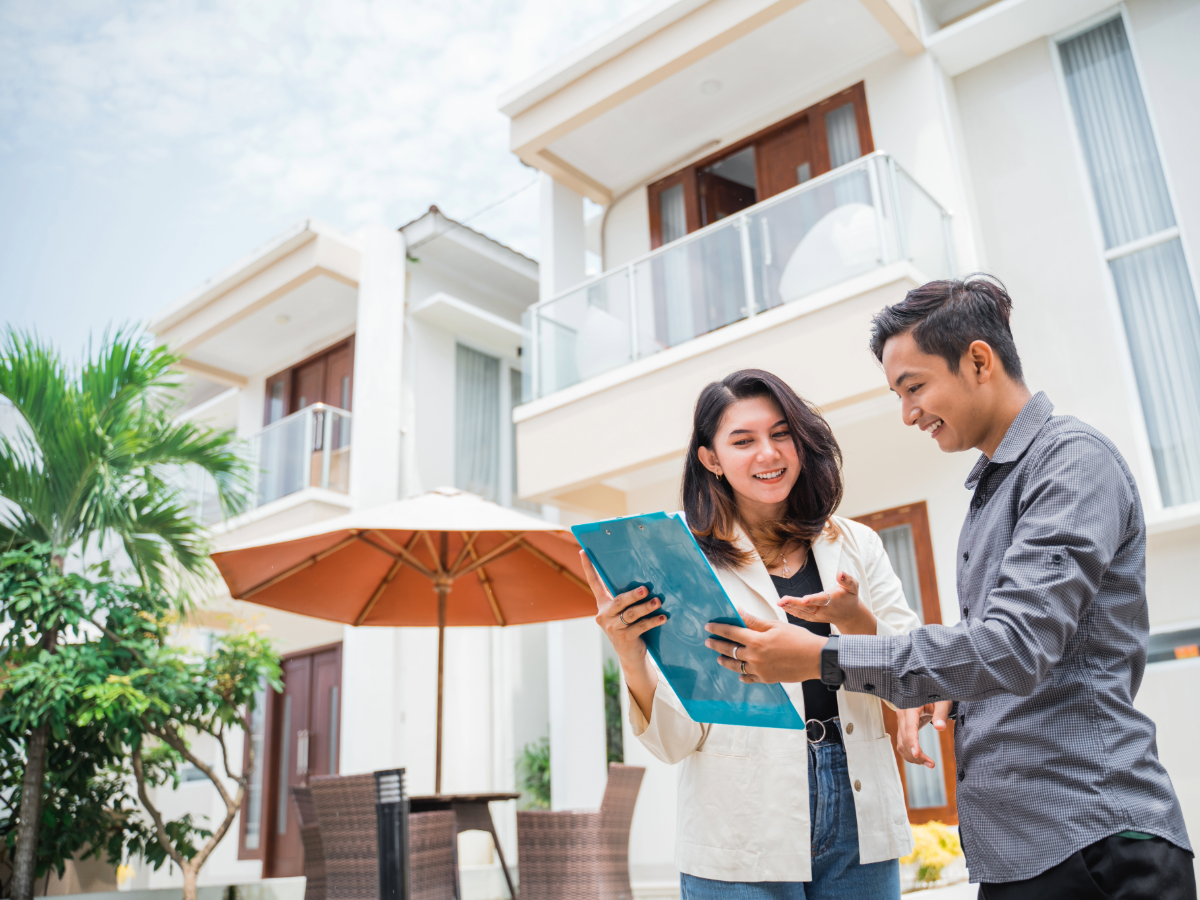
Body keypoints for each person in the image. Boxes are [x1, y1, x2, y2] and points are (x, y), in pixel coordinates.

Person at [704, 277, 1195, 899]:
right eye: (897, 394)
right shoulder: (993, 487)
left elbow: (1012, 646)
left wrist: (820, 657)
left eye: (914, 387)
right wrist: (948, 694)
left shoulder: (1069, 462)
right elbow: (1011, 659)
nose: (908, 412)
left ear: (979, 361)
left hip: (1097, 837)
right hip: (1023, 848)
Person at [582, 369, 920, 899]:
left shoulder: (856, 543)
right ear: (710, 460)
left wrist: (854, 620)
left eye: (781, 433)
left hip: (857, 803)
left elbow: (914, 677)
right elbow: (677, 741)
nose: (769, 453)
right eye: (743, 441)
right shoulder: (682, 563)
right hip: (737, 819)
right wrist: (631, 655)